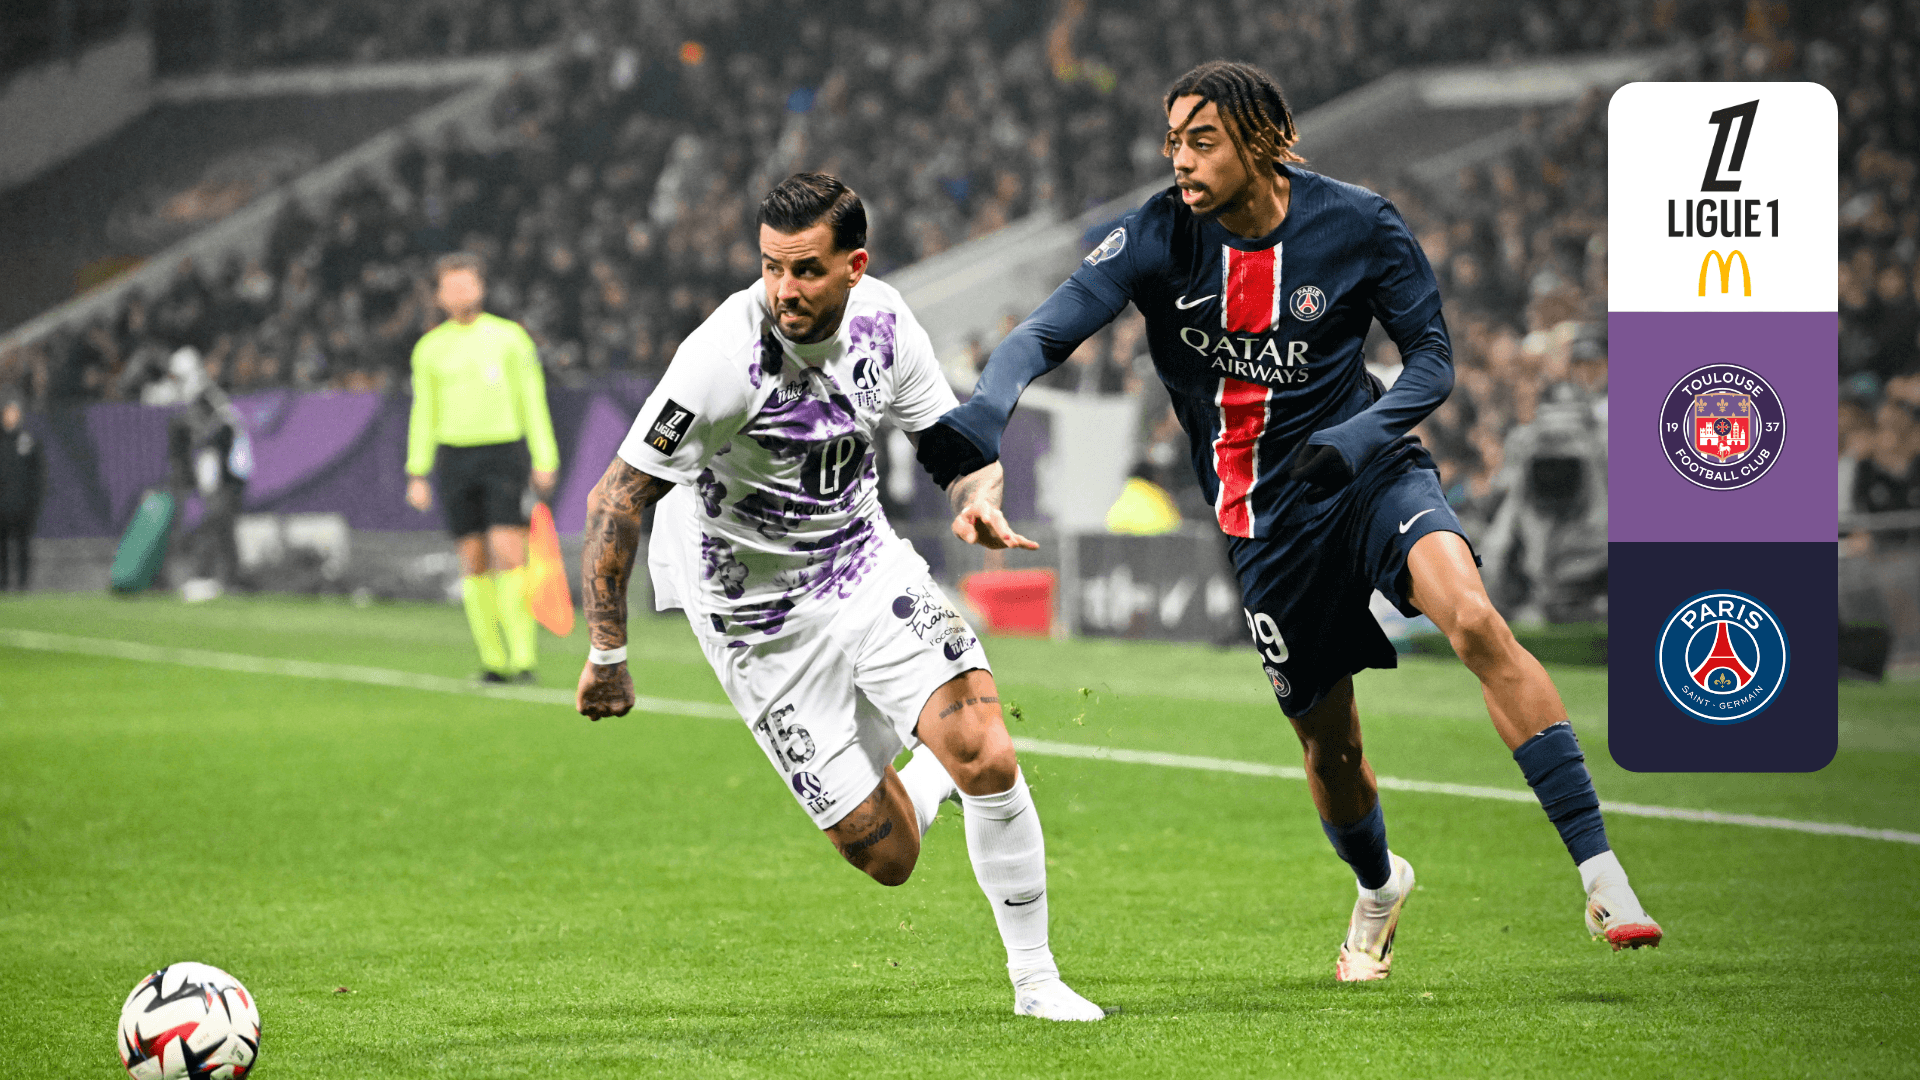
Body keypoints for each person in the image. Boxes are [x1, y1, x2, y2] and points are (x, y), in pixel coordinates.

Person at [915, 61, 1661, 982]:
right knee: (1332, 748)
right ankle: (1380, 886)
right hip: (1261, 520)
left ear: (1261, 141)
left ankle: (1602, 875)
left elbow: (1431, 360)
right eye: (1173, 141)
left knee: (1473, 619)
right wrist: (984, 423)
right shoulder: (1156, 235)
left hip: (1368, 472)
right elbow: (1038, 336)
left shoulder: (1360, 223)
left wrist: (1359, 437)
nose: (1179, 160)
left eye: (1202, 141)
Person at [574, 174, 1105, 1021]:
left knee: (988, 752)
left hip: (863, 568)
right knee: (889, 857)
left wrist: (979, 496)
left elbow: (949, 447)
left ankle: (1036, 981)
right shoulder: (721, 359)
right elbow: (616, 499)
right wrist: (608, 651)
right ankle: (929, 774)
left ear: (855, 266)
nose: (784, 289)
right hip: (755, 621)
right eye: (771, 266)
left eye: (806, 269)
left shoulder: (885, 324)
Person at [406, 253, 560, 684]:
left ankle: (524, 659)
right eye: (451, 286)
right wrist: (417, 471)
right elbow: (423, 412)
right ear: (438, 296)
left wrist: (544, 457)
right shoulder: (429, 349)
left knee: (508, 551)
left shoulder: (510, 338)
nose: (460, 292)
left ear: (481, 287)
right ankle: (494, 661)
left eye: (467, 283)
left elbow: (532, 399)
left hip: (502, 455)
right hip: (455, 458)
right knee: (472, 560)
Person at [0, 395, 44, 590]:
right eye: (8, 412)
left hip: (22, 507)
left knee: (22, 547)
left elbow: (36, 476)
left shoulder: (28, 441)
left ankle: (22, 585)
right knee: (2, 549)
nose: (11, 416)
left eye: (14, 413)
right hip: (2, 507)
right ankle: (3, 584)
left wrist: (32, 504)